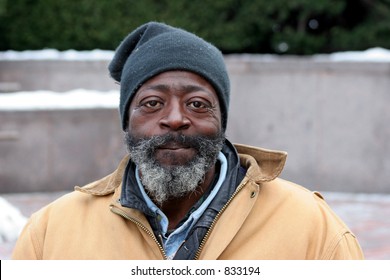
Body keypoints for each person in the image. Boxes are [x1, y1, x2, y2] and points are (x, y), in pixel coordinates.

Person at [12, 21, 364, 260]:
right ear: (127, 122)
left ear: (221, 121)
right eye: (152, 103)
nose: (176, 118)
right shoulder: (50, 234)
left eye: (197, 104)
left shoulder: (313, 229)